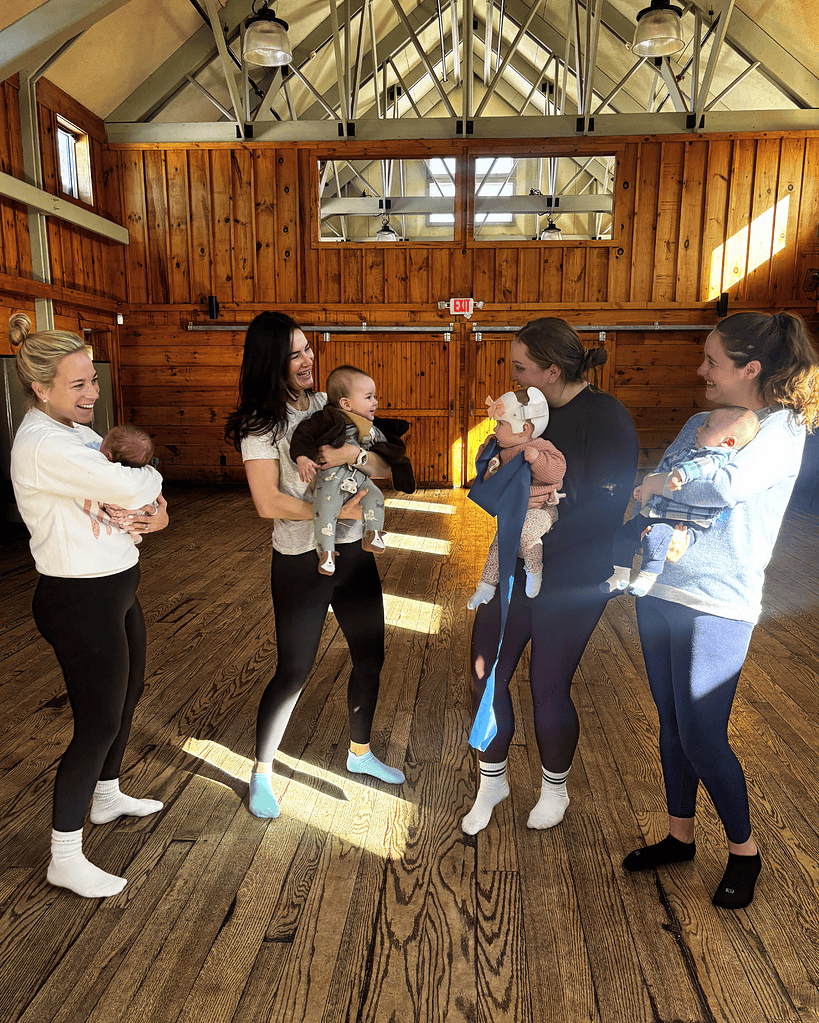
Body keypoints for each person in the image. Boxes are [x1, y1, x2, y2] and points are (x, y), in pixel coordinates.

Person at [622, 310, 819, 910]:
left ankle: (744, 851)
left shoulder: (783, 429)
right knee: (671, 727)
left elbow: (720, 486)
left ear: (750, 368)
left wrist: (663, 486)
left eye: (712, 361)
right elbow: (663, 480)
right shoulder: (697, 422)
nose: (701, 370)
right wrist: (664, 485)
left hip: (719, 602)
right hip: (660, 589)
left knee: (704, 735)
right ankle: (680, 836)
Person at [225, 313, 410, 820]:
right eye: (294, 354)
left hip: (352, 555)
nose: (307, 360)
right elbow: (267, 502)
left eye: (308, 349)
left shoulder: (332, 404)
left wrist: (355, 454)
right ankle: (262, 772)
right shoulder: (260, 425)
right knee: (294, 670)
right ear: (271, 361)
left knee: (370, 655)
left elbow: (382, 467)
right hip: (300, 559)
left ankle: (360, 753)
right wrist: (335, 512)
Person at [9, 313, 168, 899]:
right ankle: (65, 855)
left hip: (116, 584)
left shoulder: (75, 432)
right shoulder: (43, 444)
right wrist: (148, 488)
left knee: (127, 695)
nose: (92, 393)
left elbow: (142, 488)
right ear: (39, 387)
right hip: (79, 599)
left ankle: (106, 795)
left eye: (93, 380)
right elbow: (132, 482)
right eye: (77, 385)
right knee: (98, 720)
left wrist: (156, 510)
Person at [463, 317, 638, 836]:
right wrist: (492, 464)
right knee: (484, 672)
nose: (513, 377)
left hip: (574, 572)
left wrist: (535, 541)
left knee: (548, 685)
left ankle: (554, 788)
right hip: (518, 562)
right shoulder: (526, 414)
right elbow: (497, 487)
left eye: (521, 367)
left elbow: (606, 511)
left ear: (553, 371)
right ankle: (492, 781)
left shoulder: (606, 417)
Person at [601, 406, 760, 597]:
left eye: (707, 426)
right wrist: (646, 486)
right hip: (658, 511)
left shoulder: (718, 456)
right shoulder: (689, 451)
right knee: (624, 534)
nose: (699, 428)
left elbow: (700, 467)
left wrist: (680, 474)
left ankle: (646, 577)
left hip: (680, 520)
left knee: (656, 537)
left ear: (728, 442)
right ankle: (620, 574)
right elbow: (664, 469)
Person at [290, 364, 415, 575]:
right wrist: (302, 457)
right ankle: (326, 553)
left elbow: (386, 452)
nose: (375, 402)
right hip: (332, 478)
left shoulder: (369, 426)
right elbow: (304, 433)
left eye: (375, 396)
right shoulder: (327, 418)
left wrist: (394, 455)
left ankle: (372, 534)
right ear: (346, 404)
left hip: (359, 479)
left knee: (375, 496)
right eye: (368, 397)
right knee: (325, 508)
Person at [467, 386, 566, 606]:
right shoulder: (501, 450)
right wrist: (485, 453)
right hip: (514, 510)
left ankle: (534, 571)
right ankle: (485, 587)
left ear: (523, 428)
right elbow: (488, 475)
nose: (495, 428)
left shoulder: (541, 446)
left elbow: (557, 471)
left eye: (501, 424)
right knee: (499, 544)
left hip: (542, 509)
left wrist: (537, 459)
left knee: (525, 534)